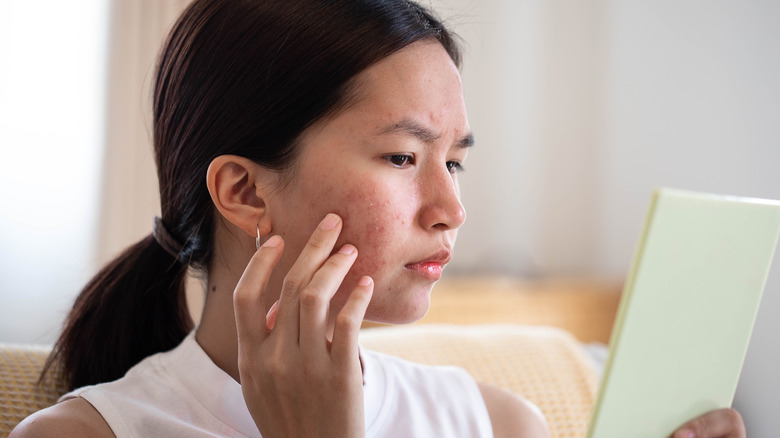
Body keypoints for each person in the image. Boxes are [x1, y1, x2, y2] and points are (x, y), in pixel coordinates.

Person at [11, 1, 745, 437]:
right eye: (401, 158)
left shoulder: (498, 424)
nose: (452, 209)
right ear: (244, 190)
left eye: (453, 162)